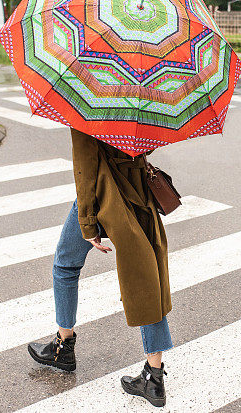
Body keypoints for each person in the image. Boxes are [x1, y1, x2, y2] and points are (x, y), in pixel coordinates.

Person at [27, 127, 172, 408]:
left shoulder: (88, 108)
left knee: (65, 266)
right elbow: (146, 147)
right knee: (146, 280)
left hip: (101, 197)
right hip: (136, 192)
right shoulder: (140, 99)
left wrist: (88, 224)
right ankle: (154, 376)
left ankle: (63, 346)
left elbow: (85, 168)